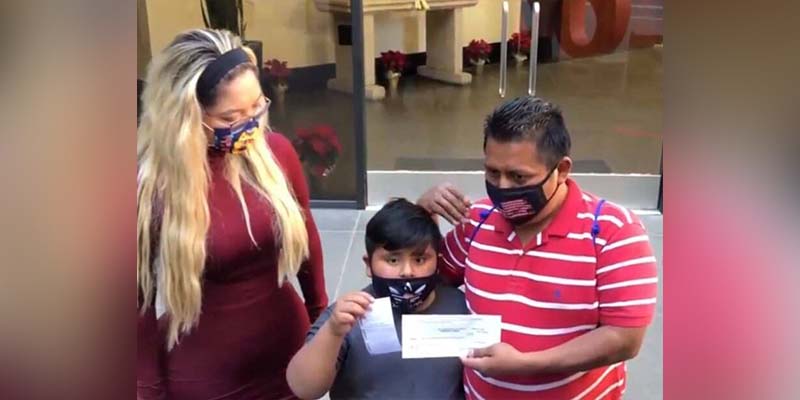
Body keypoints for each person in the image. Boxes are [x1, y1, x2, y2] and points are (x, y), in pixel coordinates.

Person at [418, 96, 658, 399]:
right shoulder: (477, 220)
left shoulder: (613, 232)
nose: (502, 188)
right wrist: (419, 215)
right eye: (492, 173)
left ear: (562, 170)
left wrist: (526, 365)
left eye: (519, 177)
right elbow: (422, 280)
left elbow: (625, 338)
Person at [137, 29, 328, 399]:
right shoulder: (153, 186)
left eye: (256, 106)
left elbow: (308, 239)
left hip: (286, 352)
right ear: (187, 116)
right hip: (208, 374)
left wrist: (321, 321)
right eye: (231, 117)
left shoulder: (276, 153)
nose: (251, 124)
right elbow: (138, 302)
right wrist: (149, 388)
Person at [286, 198, 469, 400]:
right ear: (368, 264)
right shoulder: (346, 317)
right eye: (393, 260)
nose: (407, 271)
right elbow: (304, 388)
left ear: (437, 261)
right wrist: (333, 331)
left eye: (419, 259)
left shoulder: (462, 306)